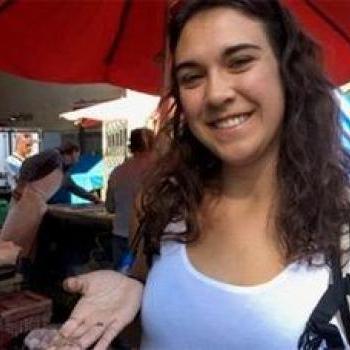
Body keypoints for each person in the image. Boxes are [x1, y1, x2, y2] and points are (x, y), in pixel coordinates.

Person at [47, 0, 350, 349]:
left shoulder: (340, 221)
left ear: (287, 69)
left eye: (239, 62)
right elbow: (160, 328)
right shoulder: (163, 203)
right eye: (191, 77)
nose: (216, 94)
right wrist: (128, 291)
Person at [0, 141, 101, 258]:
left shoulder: (62, 170)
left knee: (24, 243)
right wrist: (21, 185)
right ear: (72, 152)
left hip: (37, 206)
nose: (78, 160)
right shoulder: (54, 155)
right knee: (11, 239)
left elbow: (72, 187)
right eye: (77, 155)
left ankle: (19, 267)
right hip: (26, 201)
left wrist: (94, 198)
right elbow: (28, 164)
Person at [106, 128, 155, 270]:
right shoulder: (158, 170)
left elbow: (110, 207)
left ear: (131, 147)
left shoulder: (117, 171)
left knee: (119, 283)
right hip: (145, 239)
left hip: (119, 234)